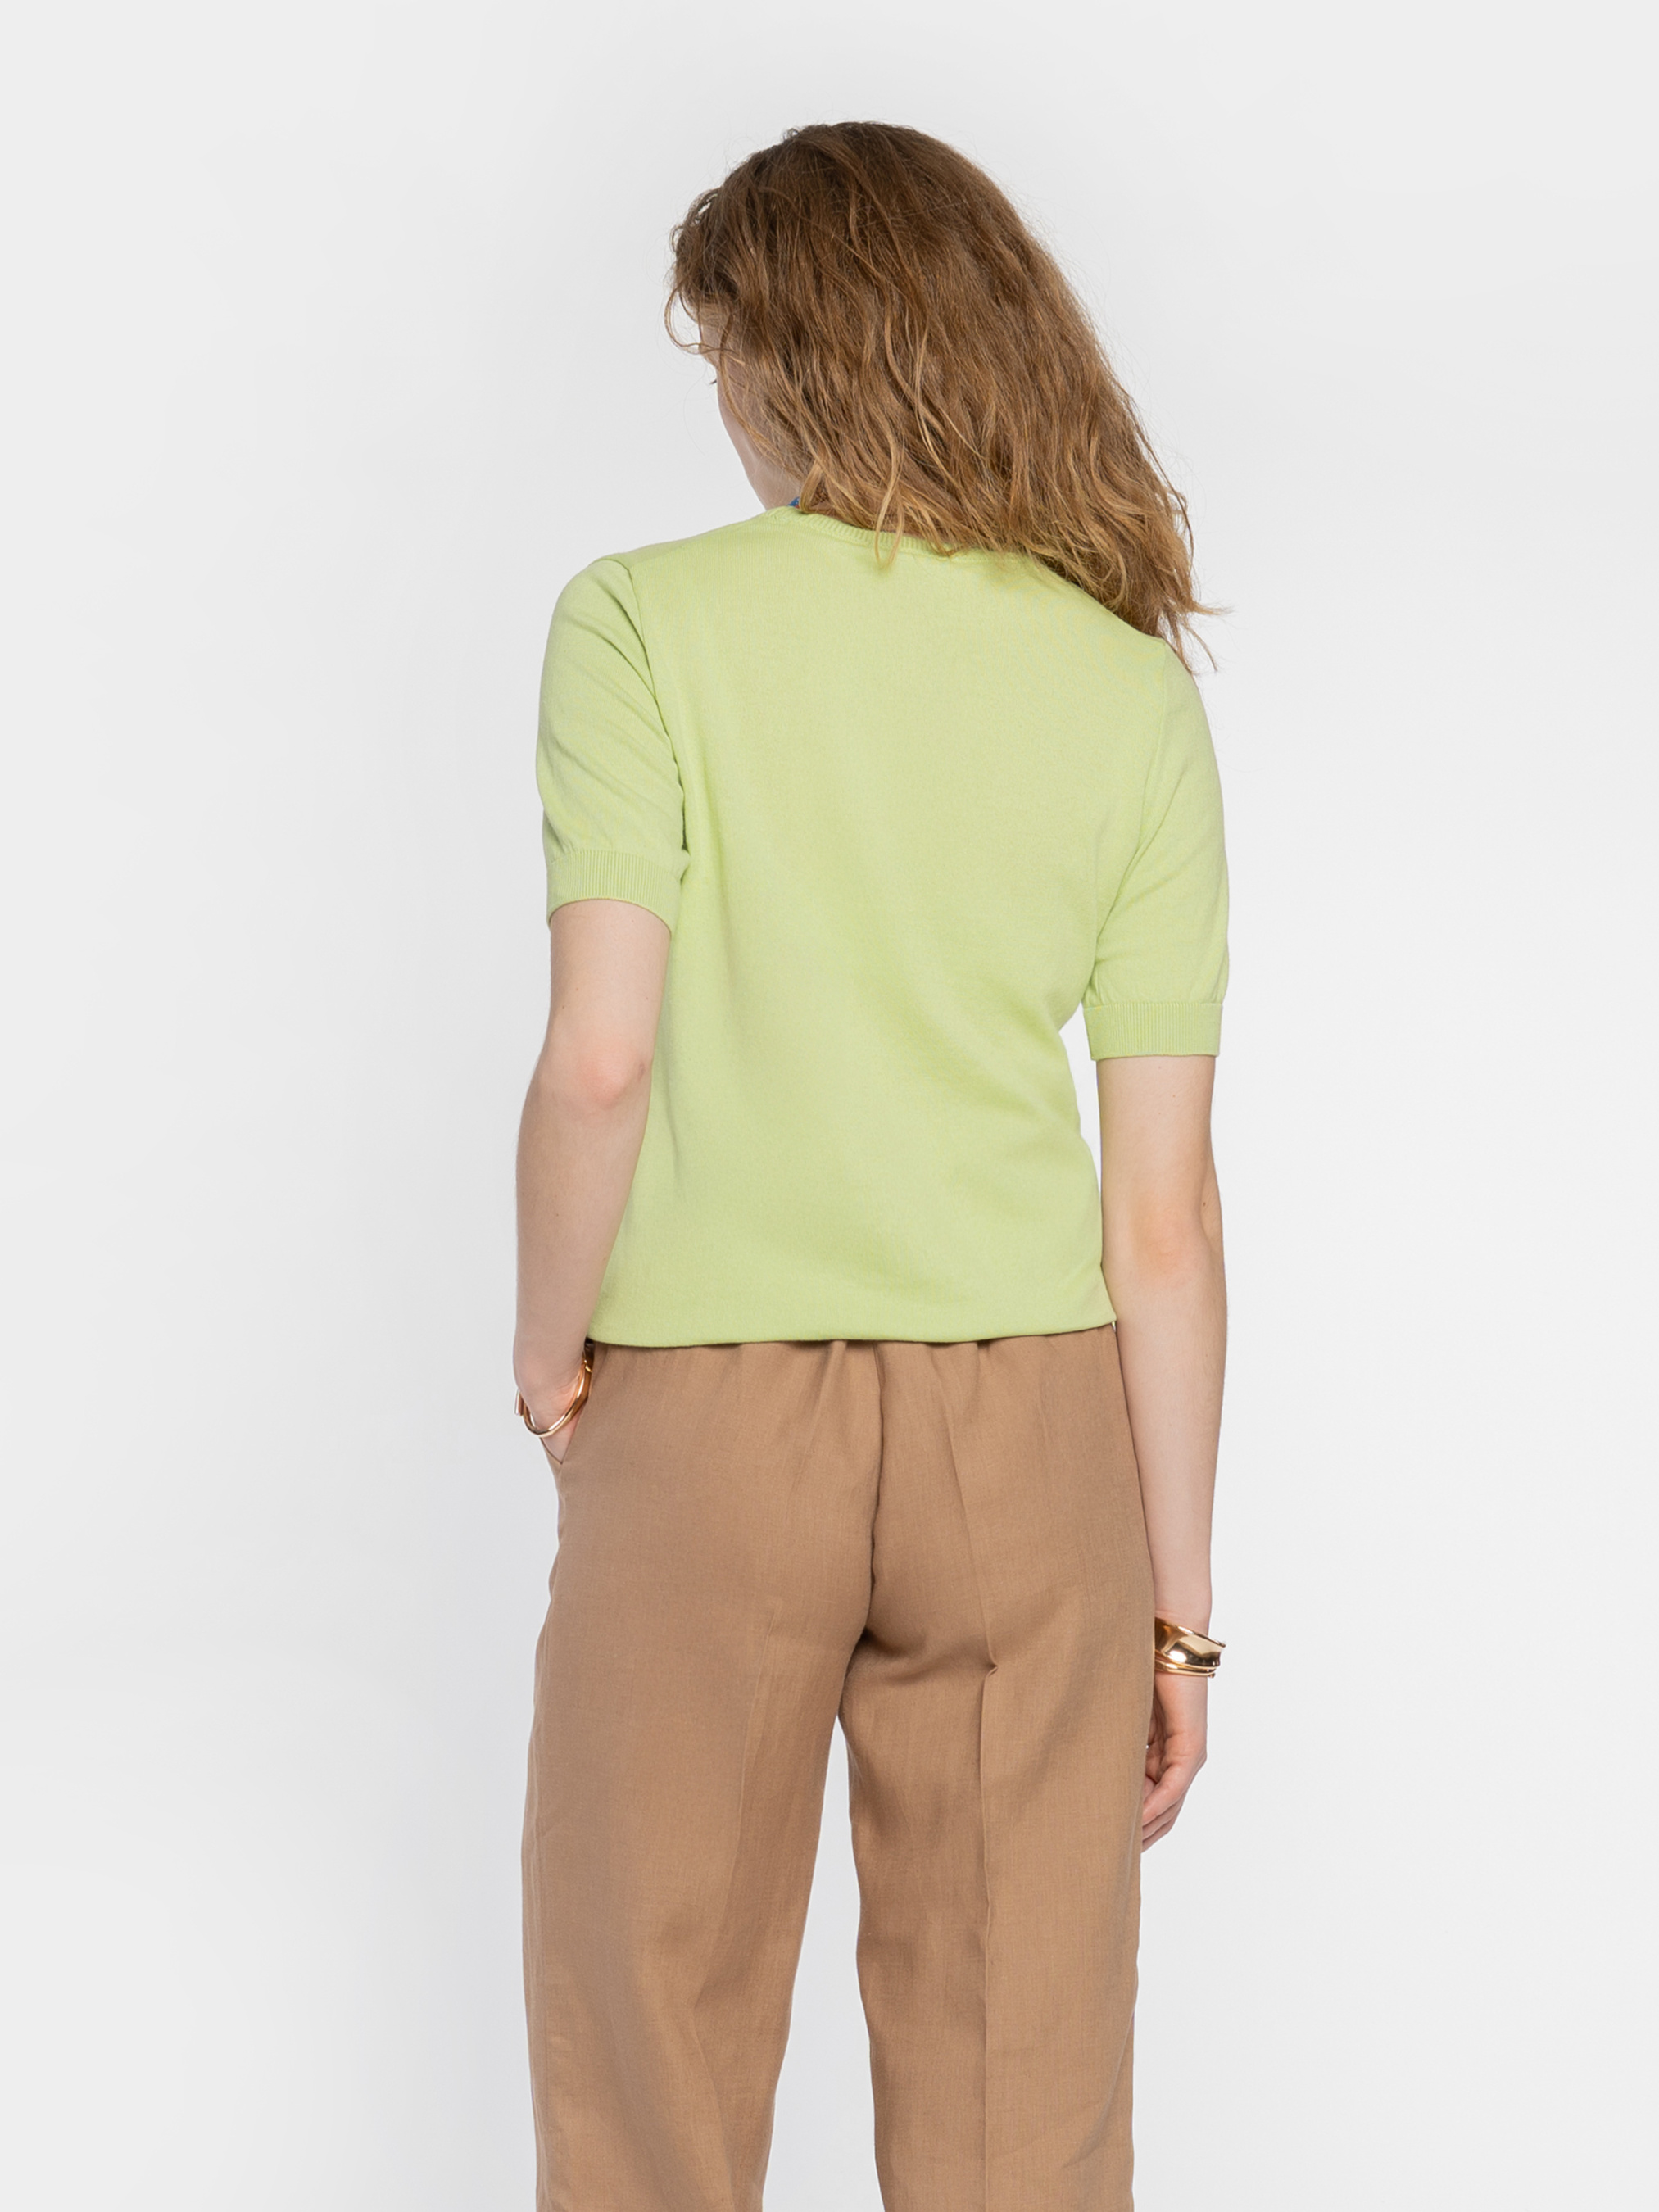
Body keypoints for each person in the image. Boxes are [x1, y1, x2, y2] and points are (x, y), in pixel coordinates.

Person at [512, 120, 1228, 2212]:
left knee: (646, 2071)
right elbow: (1161, 1217)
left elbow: (599, 1058)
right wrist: (1179, 1619)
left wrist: (551, 1354)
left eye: (724, 353)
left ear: (786, 355)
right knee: (1023, 2108)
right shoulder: (1121, 687)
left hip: (705, 1415)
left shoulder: (640, 625)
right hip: (1032, 1440)